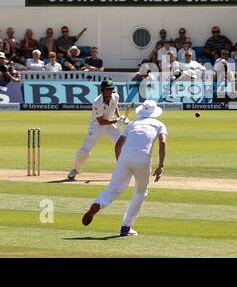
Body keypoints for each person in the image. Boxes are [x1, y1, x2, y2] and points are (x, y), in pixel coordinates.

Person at [81, 99, 166, 236]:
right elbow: (162, 143)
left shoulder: (133, 123)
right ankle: (126, 227)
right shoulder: (159, 124)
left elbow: (118, 144)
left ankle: (99, 203)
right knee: (140, 192)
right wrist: (161, 165)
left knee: (113, 190)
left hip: (125, 156)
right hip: (143, 157)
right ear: (155, 112)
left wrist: (120, 163)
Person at [67, 78, 129, 181]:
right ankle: (75, 169)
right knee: (86, 149)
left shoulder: (115, 96)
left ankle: (124, 170)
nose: (109, 92)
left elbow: (115, 106)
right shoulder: (97, 102)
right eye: (107, 90)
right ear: (102, 91)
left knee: (122, 143)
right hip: (97, 127)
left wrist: (119, 117)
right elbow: (101, 121)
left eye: (111, 89)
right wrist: (116, 121)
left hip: (109, 124)